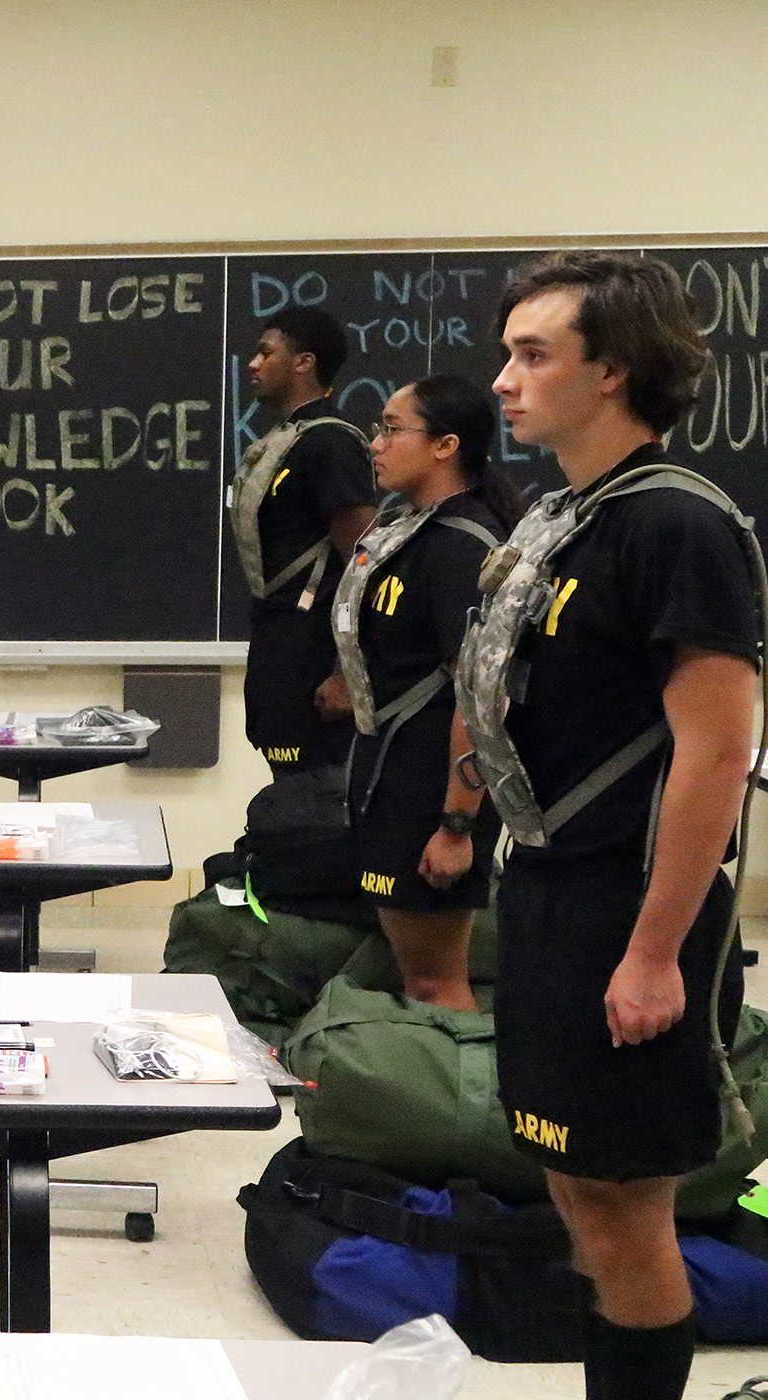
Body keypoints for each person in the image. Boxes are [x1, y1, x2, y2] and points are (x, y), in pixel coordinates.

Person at [474, 250, 759, 1400]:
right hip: (547, 884)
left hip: (629, 905)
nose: (503, 379)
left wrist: (653, 951)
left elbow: (716, 753)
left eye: (534, 354)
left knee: (623, 1197)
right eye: (507, 352)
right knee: (570, 1176)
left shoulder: (677, 526)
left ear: (616, 371)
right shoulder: (562, 519)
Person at [327, 376, 521, 1009]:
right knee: (413, 976)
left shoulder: (464, 546)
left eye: (390, 428)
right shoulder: (411, 532)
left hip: (433, 792)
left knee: (435, 981)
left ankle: (461, 1100)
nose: (376, 445)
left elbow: (482, 698)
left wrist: (457, 824)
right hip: (392, 777)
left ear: (446, 446)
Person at [234, 306, 379, 774]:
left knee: (314, 810)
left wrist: (345, 674)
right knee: (287, 799)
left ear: (304, 363)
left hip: (315, 653)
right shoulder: (286, 440)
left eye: (265, 352)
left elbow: (365, 563)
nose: (252, 364)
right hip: (280, 642)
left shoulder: (329, 443)